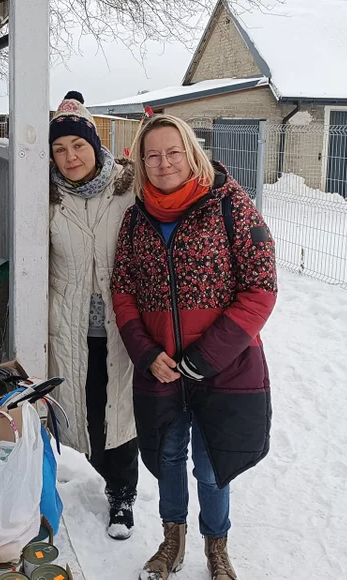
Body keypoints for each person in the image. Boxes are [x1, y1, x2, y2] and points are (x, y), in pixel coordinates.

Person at [110, 114, 277, 580]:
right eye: (152, 155)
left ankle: (216, 545)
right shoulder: (136, 218)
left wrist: (204, 359)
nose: (163, 163)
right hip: (161, 368)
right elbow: (122, 292)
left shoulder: (231, 206)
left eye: (172, 152)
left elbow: (260, 289)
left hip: (223, 368)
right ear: (142, 163)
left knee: (210, 463)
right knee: (167, 457)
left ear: (191, 153)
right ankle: (171, 540)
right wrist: (145, 353)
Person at [47, 98, 139, 539]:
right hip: (70, 326)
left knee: (119, 411)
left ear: (96, 146)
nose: (70, 157)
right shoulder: (44, 198)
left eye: (78, 145)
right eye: (60, 148)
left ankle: (123, 495)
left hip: (123, 328)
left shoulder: (128, 189)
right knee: (77, 407)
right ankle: (72, 476)